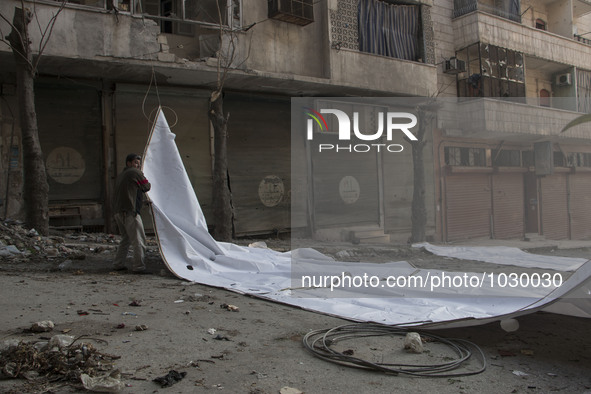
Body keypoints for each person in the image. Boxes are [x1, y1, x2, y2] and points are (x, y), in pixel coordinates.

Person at [112, 153, 151, 273]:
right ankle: (139, 267)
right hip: (129, 212)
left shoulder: (122, 174)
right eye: (135, 163)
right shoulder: (134, 172)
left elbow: (130, 192)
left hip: (119, 212)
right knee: (139, 240)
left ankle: (118, 264)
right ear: (128, 163)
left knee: (126, 239)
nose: (137, 166)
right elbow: (146, 186)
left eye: (139, 164)